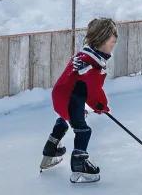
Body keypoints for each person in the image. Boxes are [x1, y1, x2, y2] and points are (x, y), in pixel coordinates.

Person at [40, 17, 118, 183]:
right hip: (70, 99)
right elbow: (93, 91)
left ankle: (51, 150)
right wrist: (101, 106)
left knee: (65, 119)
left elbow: (81, 85)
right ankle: (79, 165)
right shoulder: (93, 65)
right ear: (102, 40)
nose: (113, 46)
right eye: (112, 42)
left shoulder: (84, 56)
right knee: (83, 130)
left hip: (61, 95)